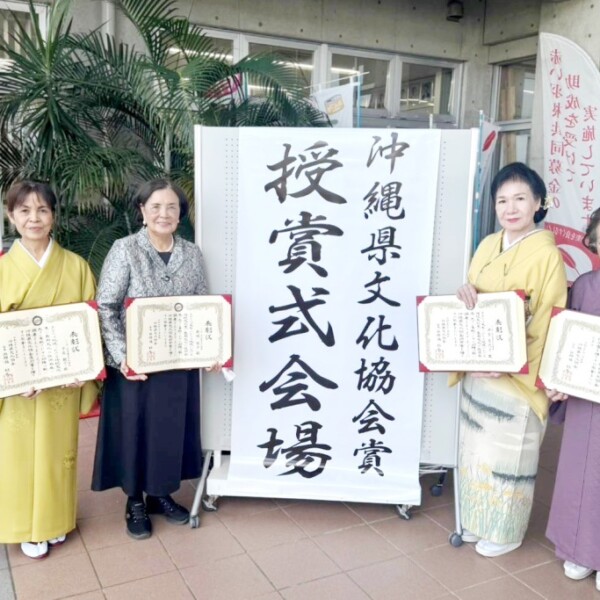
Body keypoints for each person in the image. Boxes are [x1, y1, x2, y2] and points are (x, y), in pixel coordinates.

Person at [452, 162, 567, 557]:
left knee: (508, 453)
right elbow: (474, 294)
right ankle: (476, 517)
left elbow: (549, 319)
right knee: (476, 449)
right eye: (502, 200)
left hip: (516, 373)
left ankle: (506, 531)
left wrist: (509, 364)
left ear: (538, 203)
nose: (510, 208)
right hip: (479, 365)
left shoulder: (547, 254)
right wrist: (465, 293)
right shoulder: (488, 244)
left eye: (520, 198)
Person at [92, 179, 213, 540]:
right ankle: (135, 502)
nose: (164, 213)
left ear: (180, 214)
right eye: (156, 206)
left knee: (168, 430)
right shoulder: (125, 249)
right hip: (135, 366)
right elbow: (106, 307)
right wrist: (123, 358)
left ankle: (160, 494)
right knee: (135, 431)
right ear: (142, 211)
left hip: (177, 363)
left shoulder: (192, 253)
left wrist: (210, 348)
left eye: (172, 207)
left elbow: (202, 307)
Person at [0, 180, 97, 559]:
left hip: (61, 382)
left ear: (54, 216)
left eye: (42, 210)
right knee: (18, 456)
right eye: (24, 210)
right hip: (17, 388)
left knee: (58, 454)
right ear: (11, 216)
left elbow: (89, 326)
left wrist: (83, 369)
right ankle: (24, 526)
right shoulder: (3, 269)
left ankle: (56, 521)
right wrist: (12, 375)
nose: (34, 218)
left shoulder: (75, 266)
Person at [545, 207, 600, 589]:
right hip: (585, 397)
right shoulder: (584, 286)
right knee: (580, 472)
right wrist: (559, 379)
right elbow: (566, 340)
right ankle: (579, 549)